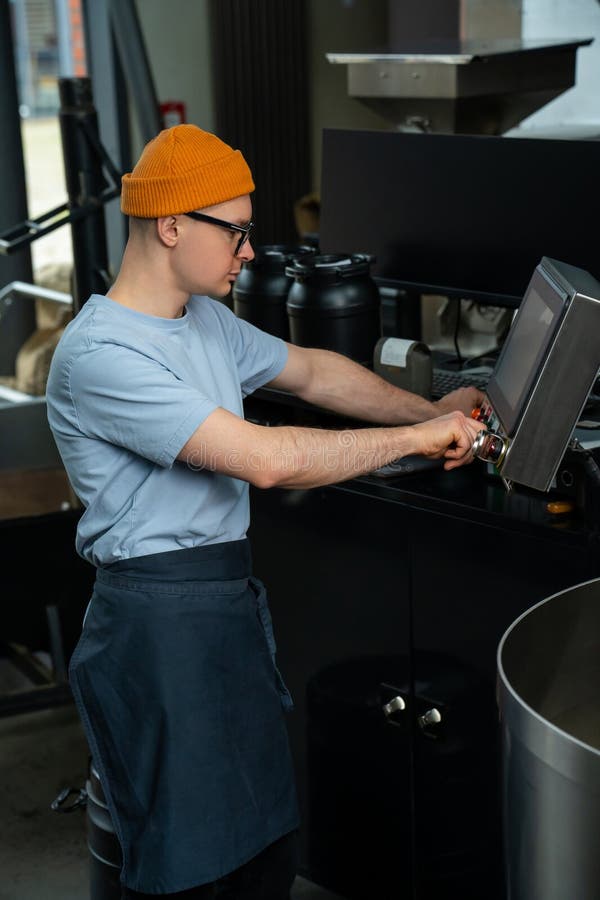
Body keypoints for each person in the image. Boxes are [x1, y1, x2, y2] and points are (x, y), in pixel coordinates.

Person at [46, 124, 485, 899]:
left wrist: (434, 410)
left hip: (225, 614)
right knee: (190, 869)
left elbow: (313, 373)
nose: (249, 252)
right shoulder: (101, 355)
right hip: (157, 631)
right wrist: (417, 439)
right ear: (171, 225)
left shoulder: (203, 320)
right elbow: (266, 459)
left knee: (263, 852)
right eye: (237, 232)